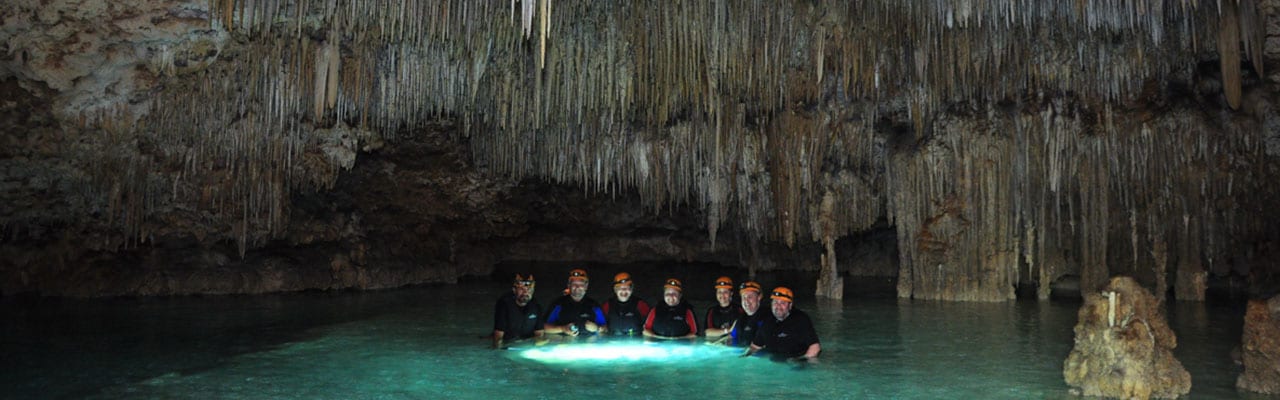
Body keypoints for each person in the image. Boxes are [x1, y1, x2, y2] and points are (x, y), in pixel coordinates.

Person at [743, 286, 821, 361]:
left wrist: (799, 360)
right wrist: (745, 357)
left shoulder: (800, 319)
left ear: (790, 305)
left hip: (798, 363)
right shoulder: (767, 321)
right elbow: (755, 346)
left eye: (783, 303)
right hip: (775, 361)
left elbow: (815, 347)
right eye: (775, 302)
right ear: (771, 304)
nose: (778, 306)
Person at [544, 268, 606, 336]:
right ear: (569, 285)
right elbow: (544, 327)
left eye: (581, 284)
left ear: (586, 286)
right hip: (563, 344)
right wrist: (562, 328)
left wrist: (597, 328)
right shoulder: (558, 304)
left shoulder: (594, 305)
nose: (577, 287)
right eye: (574, 284)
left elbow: (606, 328)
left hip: (589, 344)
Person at [491, 274, 545, 349]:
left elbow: (539, 334)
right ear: (514, 290)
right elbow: (498, 336)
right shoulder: (504, 305)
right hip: (508, 342)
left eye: (529, 290)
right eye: (521, 289)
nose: (525, 293)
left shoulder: (536, 306)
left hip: (527, 343)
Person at [601, 272, 651, 336]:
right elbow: (601, 326)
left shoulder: (641, 305)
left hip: (635, 341)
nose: (624, 291)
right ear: (615, 289)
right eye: (620, 288)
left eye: (627, 288)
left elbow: (650, 326)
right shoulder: (607, 305)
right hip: (613, 341)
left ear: (632, 289)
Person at [725, 281, 766, 346]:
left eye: (750, 297)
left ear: (759, 297)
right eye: (744, 297)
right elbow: (731, 338)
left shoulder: (768, 318)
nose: (746, 301)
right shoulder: (740, 320)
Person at [703, 276, 743, 340]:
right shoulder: (712, 311)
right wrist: (728, 330)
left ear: (731, 293)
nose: (722, 295)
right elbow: (708, 332)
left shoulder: (739, 310)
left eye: (725, 292)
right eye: (719, 292)